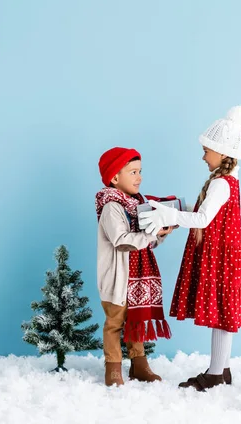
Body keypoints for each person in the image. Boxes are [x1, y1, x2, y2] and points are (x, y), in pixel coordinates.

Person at [139, 106, 241, 391]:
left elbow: (203, 219)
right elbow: (207, 214)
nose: (203, 156)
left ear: (223, 152)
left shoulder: (222, 184)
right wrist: (176, 208)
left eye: (207, 151)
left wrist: (170, 216)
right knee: (223, 315)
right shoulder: (227, 181)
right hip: (225, 255)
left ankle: (216, 373)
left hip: (220, 256)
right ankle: (220, 369)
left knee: (222, 315)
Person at [95, 146, 172, 387]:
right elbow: (121, 240)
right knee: (115, 323)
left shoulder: (138, 205)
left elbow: (147, 244)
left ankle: (139, 365)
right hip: (118, 278)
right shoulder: (112, 207)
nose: (139, 178)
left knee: (135, 322)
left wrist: (161, 233)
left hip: (137, 278)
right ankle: (114, 368)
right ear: (115, 178)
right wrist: (151, 234)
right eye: (133, 172)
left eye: (140, 171)